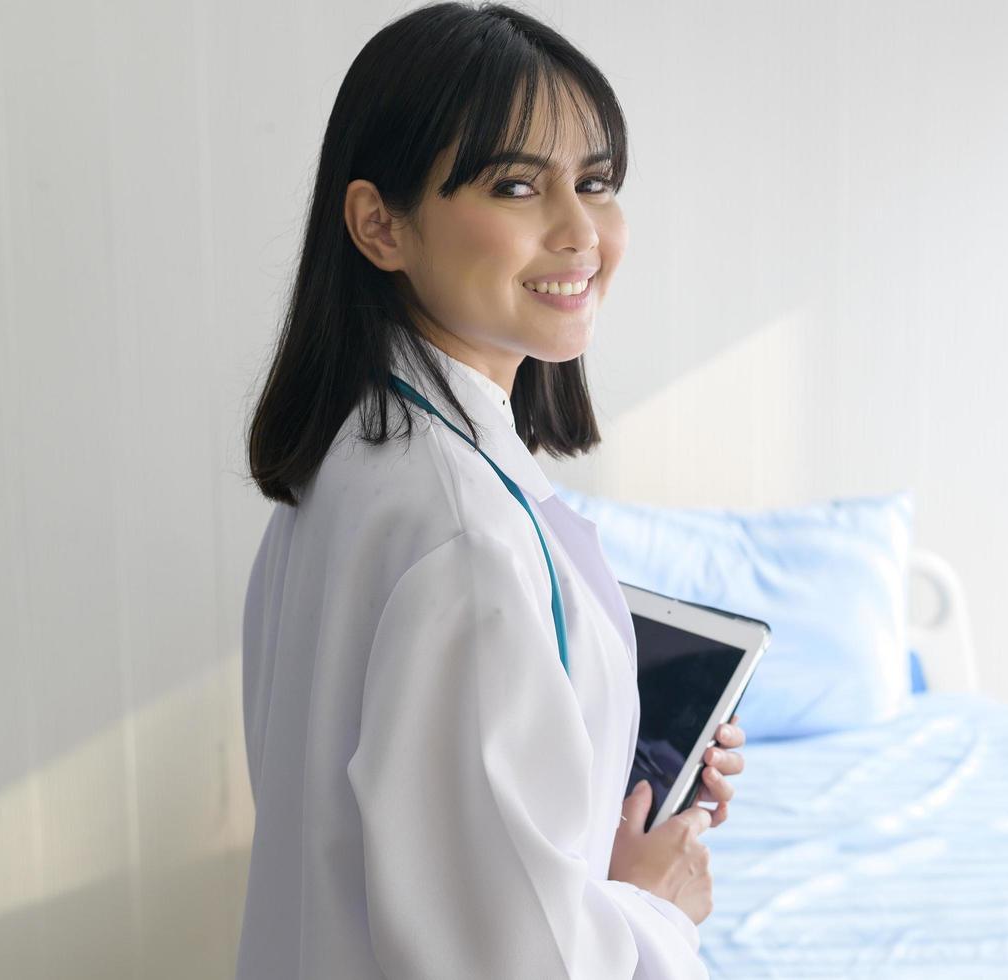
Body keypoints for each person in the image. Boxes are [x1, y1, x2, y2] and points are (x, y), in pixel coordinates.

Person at [235, 4, 746, 977]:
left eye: (596, 183)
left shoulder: (350, 452)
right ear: (380, 225)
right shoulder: (468, 539)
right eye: (516, 184)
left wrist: (602, 758)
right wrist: (654, 905)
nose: (582, 230)